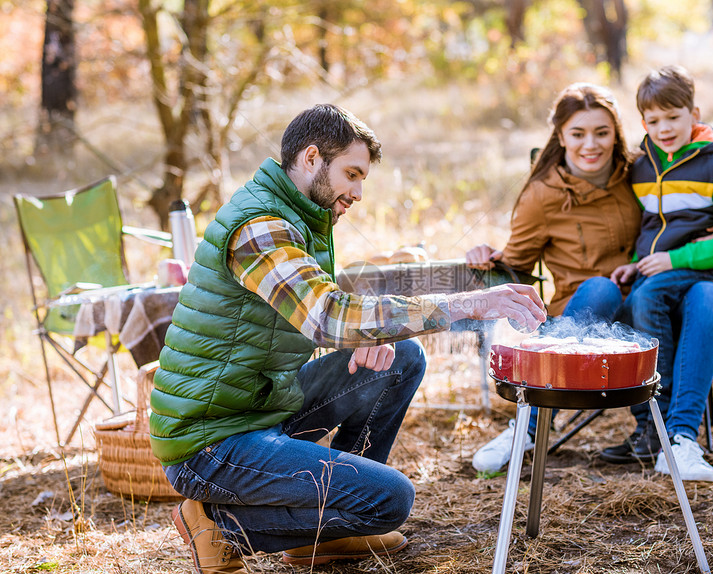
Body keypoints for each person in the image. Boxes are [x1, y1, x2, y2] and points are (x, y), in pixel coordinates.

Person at [149, 104, 547, 573]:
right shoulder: (260, 226)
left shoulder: (301, 214)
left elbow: (297, 318)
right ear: (312, 158)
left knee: (401, 357)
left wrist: (362, 336)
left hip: (260, 406)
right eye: (351, 174)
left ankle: (325, 534)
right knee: (392, 500)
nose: (357, 193)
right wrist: (468, 303)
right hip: (211, 440)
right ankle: (220, 525)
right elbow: (327, 317)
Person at [466, 83, 641, 473]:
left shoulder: (638, 176)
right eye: (578, 134)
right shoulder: (542, 195)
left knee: (656, 295)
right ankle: (527, 426)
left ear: (616, 134)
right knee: (600, 287)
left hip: (645, 300)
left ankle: (661, 435)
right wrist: (486, 256)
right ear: (560, 136)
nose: (590, 144)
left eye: (602, 132)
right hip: (582, 315)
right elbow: (517, 263)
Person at [602, 65, 713, 482]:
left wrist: (675, 259)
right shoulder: (641, 168)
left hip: (703, 271)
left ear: (695, 113)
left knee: (671, 296)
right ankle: (669, 432)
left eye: (674, 117)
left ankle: (674, 432)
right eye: (653, 121)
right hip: (658, 272)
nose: (664, 128)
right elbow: (649, 229)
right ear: (643, 122)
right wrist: (638, 260)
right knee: (652, 296)